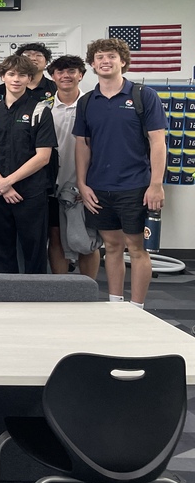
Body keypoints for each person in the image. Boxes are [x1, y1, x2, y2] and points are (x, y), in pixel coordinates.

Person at [74, 38, 166, 308]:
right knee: (111, 248)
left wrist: (156, 185)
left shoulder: (142, 95)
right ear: (92, 64)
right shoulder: (88, 101)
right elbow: (82, 144)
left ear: (122, 61)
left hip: (136, 186)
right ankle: (116, 305)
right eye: (99, 57)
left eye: (111, 56)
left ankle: (137, 309)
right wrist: (82, 183)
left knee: (137, 249)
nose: (105, 61)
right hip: (99, 187)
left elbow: (158, 141)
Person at [0, 54, 56, 274]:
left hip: (30, 193)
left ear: (29, 78)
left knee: (34, 250)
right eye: (11, 74)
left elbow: (43, 156)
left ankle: (35, 301)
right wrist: (0, 184)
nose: (16, 79)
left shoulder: (40, 110)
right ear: (2, 77)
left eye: (22, 75)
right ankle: (3, 298)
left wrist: (9, 182)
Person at [47, 54, 100, 279]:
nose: (66, 76)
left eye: (71, 71)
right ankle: (62, 291)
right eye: (60, 71)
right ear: (53, 76)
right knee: (56, 236)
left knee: (88, 239)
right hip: (51, 184)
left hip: (85, 184)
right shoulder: (44, 107)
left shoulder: (92, 106)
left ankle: (89, 288)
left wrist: (86, 183)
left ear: (81, 75)